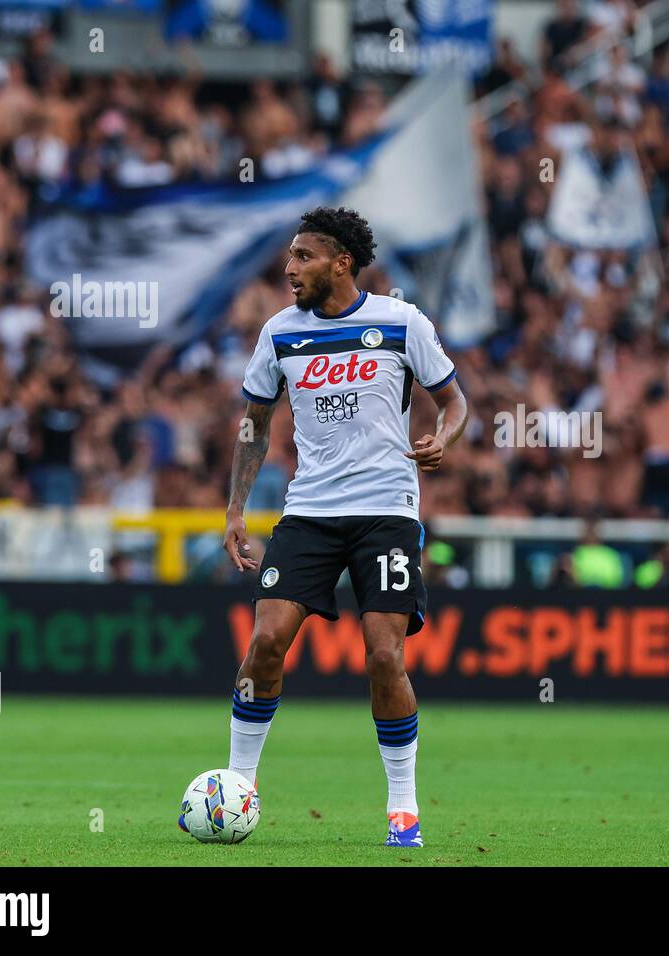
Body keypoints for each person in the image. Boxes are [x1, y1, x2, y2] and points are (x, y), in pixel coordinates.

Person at [221, 206, 469, 850]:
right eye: (289, 257)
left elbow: (456, 399)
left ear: (342, 263)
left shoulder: (399, 320)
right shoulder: (279, 333)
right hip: (309, 512)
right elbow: (254, 422)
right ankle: (239, 785)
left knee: (384, 655)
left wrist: (443, 437)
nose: (289, 267)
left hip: (386, 510)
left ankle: (404, 808)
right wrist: (235, 508)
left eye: (303, 256)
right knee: (266, 643)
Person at [572, 516, 625, 587]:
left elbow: (615, 580)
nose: (590, 534)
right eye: (587, 530)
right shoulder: (574, 554)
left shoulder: (611, 554)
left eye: (593, 530)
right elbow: (574, 583)